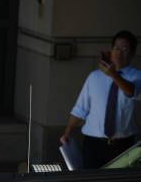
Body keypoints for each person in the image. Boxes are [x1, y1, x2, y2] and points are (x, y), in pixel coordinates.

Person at [60, 30, 141, 168]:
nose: (119, 53)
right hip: (93, 143)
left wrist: (114, 75)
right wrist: (67, 132)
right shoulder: (95, 77)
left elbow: (131, 91)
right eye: (116, 48)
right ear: (111, 51)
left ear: (132, 54)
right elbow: (81, 109)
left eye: (124, 49)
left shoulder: (136, 76)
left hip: (123, 144)